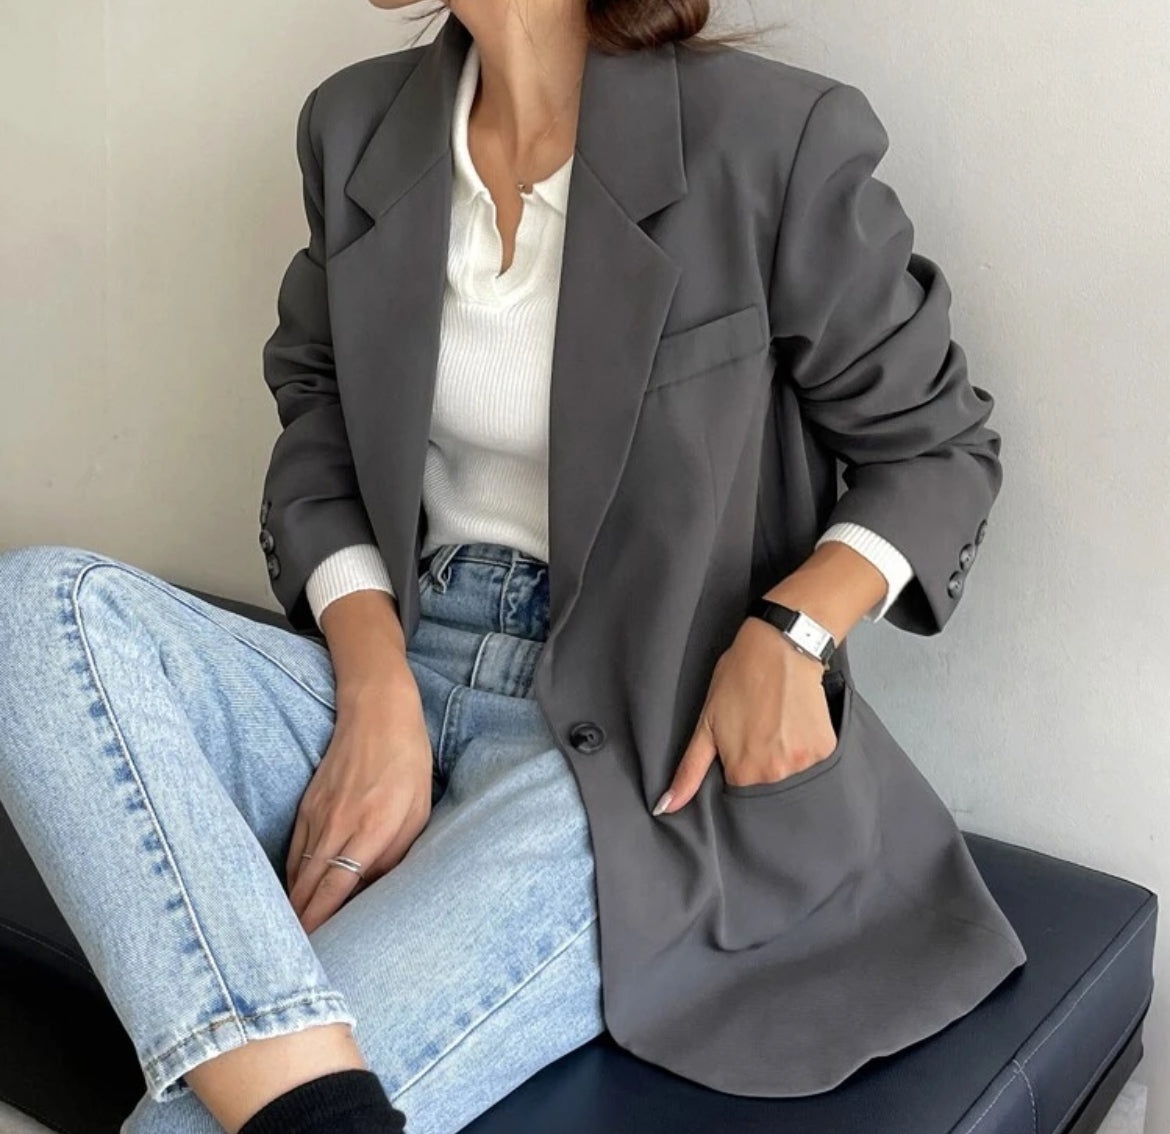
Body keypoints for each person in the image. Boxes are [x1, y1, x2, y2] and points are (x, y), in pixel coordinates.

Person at [0, 0, 1012, 1132]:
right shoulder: (355, 127)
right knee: (32, 610)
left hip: (634, 747)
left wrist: (793, 633)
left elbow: (938, 449)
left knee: (202, 1120)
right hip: (398, 656)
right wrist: (375, 691)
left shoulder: (771, 137)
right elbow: (319, 420)